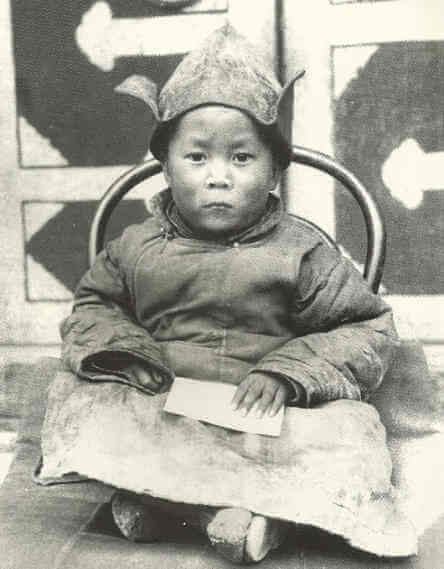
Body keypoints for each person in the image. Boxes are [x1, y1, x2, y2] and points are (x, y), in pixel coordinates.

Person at [37, 23, 418, 564]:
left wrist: (289, 373)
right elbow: (94, 307)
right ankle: (191, 504)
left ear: (274, 171)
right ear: (165, 167)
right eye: (197, 159)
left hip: (267, 419)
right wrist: (126, 351)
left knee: (348, 433)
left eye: (241, 158)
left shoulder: (302, 251)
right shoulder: (136, 247)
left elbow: (366, 327)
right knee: (87, 398)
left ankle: (224, 511)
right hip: (169, 406)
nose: (219, 177)